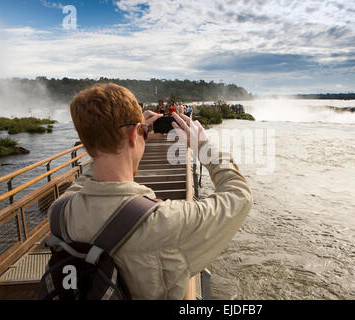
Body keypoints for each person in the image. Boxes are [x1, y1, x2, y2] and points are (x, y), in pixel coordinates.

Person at [53, 83, 253, 300]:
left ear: (86, 143)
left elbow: (84, 180)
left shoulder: (60, 212)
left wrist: (112, 136)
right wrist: (203, 146)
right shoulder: (166, 222)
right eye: (143, 135)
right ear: (135, 135)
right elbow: (239, 195)